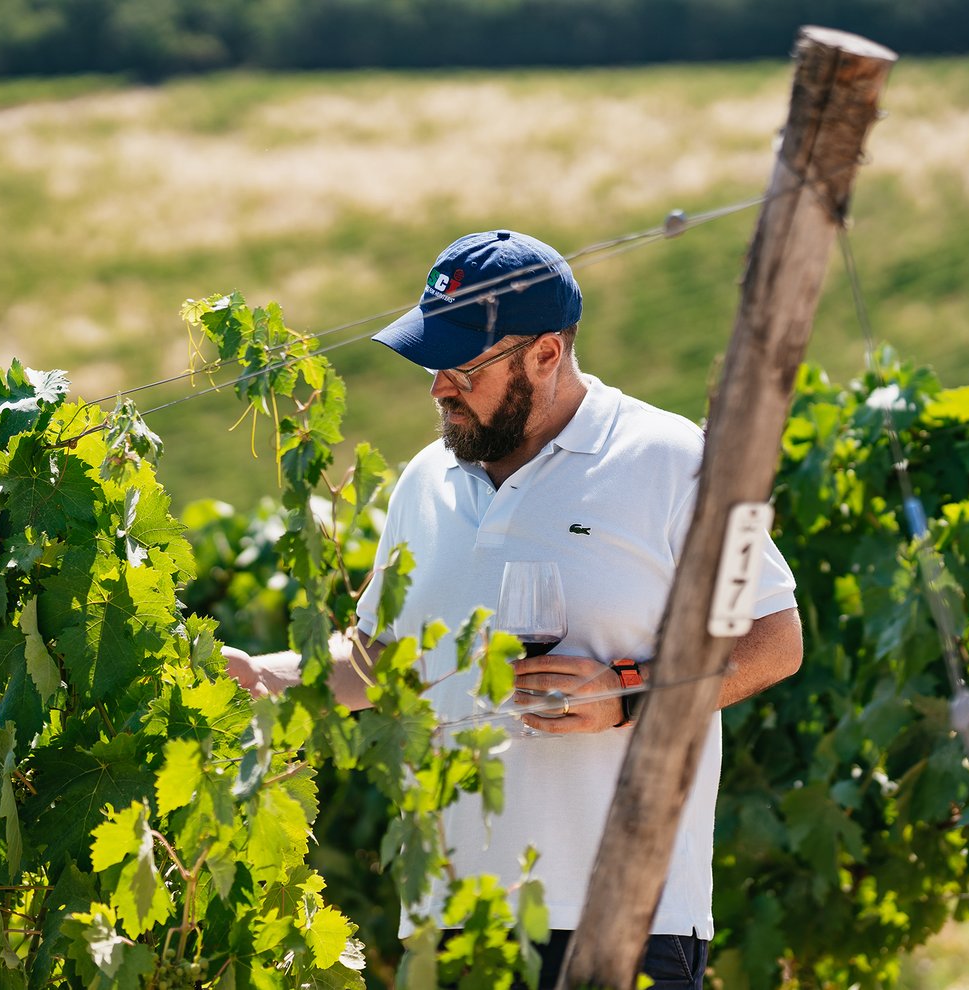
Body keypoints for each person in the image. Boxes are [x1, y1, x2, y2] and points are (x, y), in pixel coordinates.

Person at [225, 229, 803, 989]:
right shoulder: (423, 482)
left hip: (625, 920)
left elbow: (775, 639)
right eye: (434, 366)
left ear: (545, 354)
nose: (439, 388)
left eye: (463, 367)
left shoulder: (682, 462)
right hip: (449, 923)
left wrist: (626, 691)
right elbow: (381, 658)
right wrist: (266, 677)